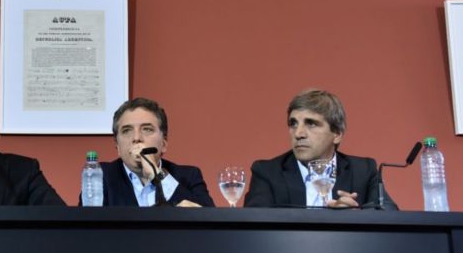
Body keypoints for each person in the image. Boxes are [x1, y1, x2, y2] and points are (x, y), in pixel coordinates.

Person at [244, 89, 395, 209]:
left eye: (311, 124)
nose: (298, 134)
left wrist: (356, 218)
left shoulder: (364, 171)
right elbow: (253, 226)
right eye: (293, 124)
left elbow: (390, 215)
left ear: (337, 134)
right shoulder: (267, 172)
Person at [95, 97, 214, 207]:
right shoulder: (99, 175)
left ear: (164, 144)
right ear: (118, 147)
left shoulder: (189, 176)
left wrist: (157, 175)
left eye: (147, 129)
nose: (136, 138)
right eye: (127, 131)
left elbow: (209, 219)